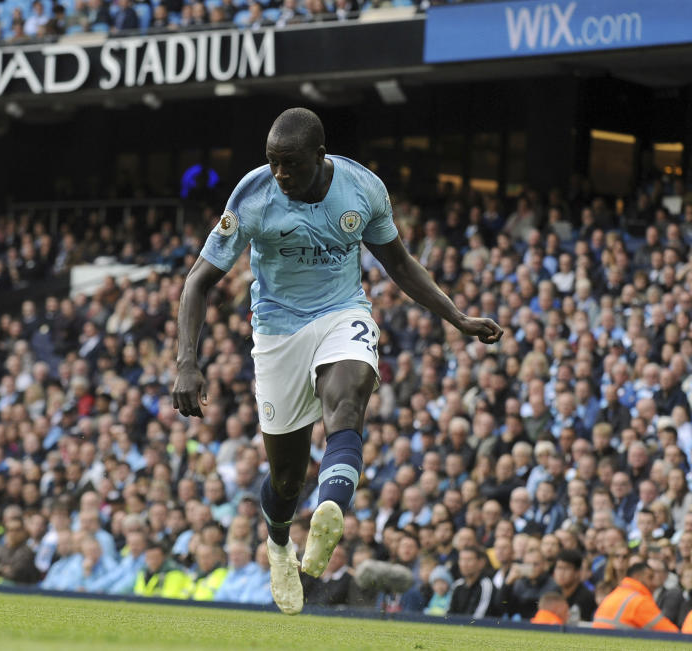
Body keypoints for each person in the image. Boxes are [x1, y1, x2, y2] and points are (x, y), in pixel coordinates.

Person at [171, 107, 503, 616]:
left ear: (319, 156)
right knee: (285, 479)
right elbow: (197, 281)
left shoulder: (362, 189)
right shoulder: (254, 195)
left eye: (290, 164)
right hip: (277, 332)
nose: (279, 174)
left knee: (347, 401)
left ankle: (330, 510)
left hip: (341, 312)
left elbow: (398, 263)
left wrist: (456, 317)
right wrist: (186, 362)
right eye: (272, 162)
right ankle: (280, 542)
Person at [593, 562, 679, 632]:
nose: (653, 583)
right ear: (638, 577)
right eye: (650, 577)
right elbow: (671, 634)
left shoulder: (614, 595)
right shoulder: (639, 601)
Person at [449, 546, 495, 619]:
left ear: (481, 563)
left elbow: (479, 616)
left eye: (469, 560)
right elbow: (449, 613)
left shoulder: (486, 585)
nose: (464, 564)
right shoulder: (457, 585)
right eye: (462, 560)